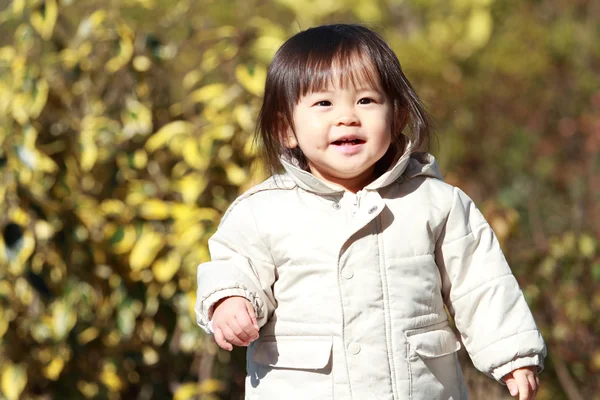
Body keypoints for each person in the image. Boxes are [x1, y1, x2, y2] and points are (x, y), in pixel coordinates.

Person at [195, 24, 546, 400]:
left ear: (396, 119)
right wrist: (230, 300)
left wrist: (513, 353)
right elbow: (234, 267)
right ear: (287, 129)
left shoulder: (436, 202)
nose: (346, 117)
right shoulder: (263, 211)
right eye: (323, 103)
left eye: (365, 100)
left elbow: (480, 282)